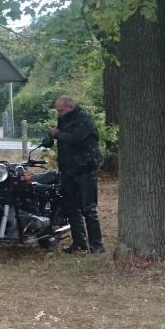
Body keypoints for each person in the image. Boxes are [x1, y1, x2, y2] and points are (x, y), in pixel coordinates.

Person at [48, 95, 105, 254]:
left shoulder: (83, 117)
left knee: (88, 208)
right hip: (68, 168)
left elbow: (76, 138)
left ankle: (97, 245)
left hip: (85, 168)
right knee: (71, 207)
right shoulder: (65, 118)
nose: (59, 113)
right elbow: (64, 138)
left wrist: (56, 133)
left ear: (70, 107)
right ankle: (79, 243)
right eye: (57, 110)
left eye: (61, 110)